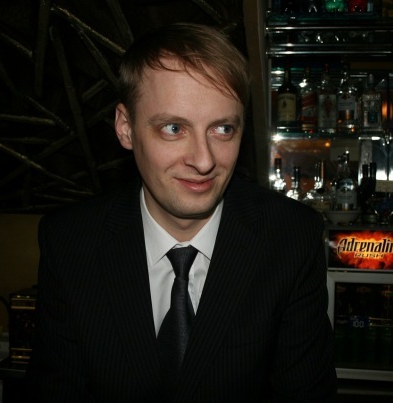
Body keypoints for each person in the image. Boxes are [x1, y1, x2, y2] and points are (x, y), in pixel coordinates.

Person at [27, 22, 337, 402]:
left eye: (223, 129)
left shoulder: (291, 238)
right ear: (126, 128)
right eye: (174, 128)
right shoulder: (70, 241)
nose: (204, 161)